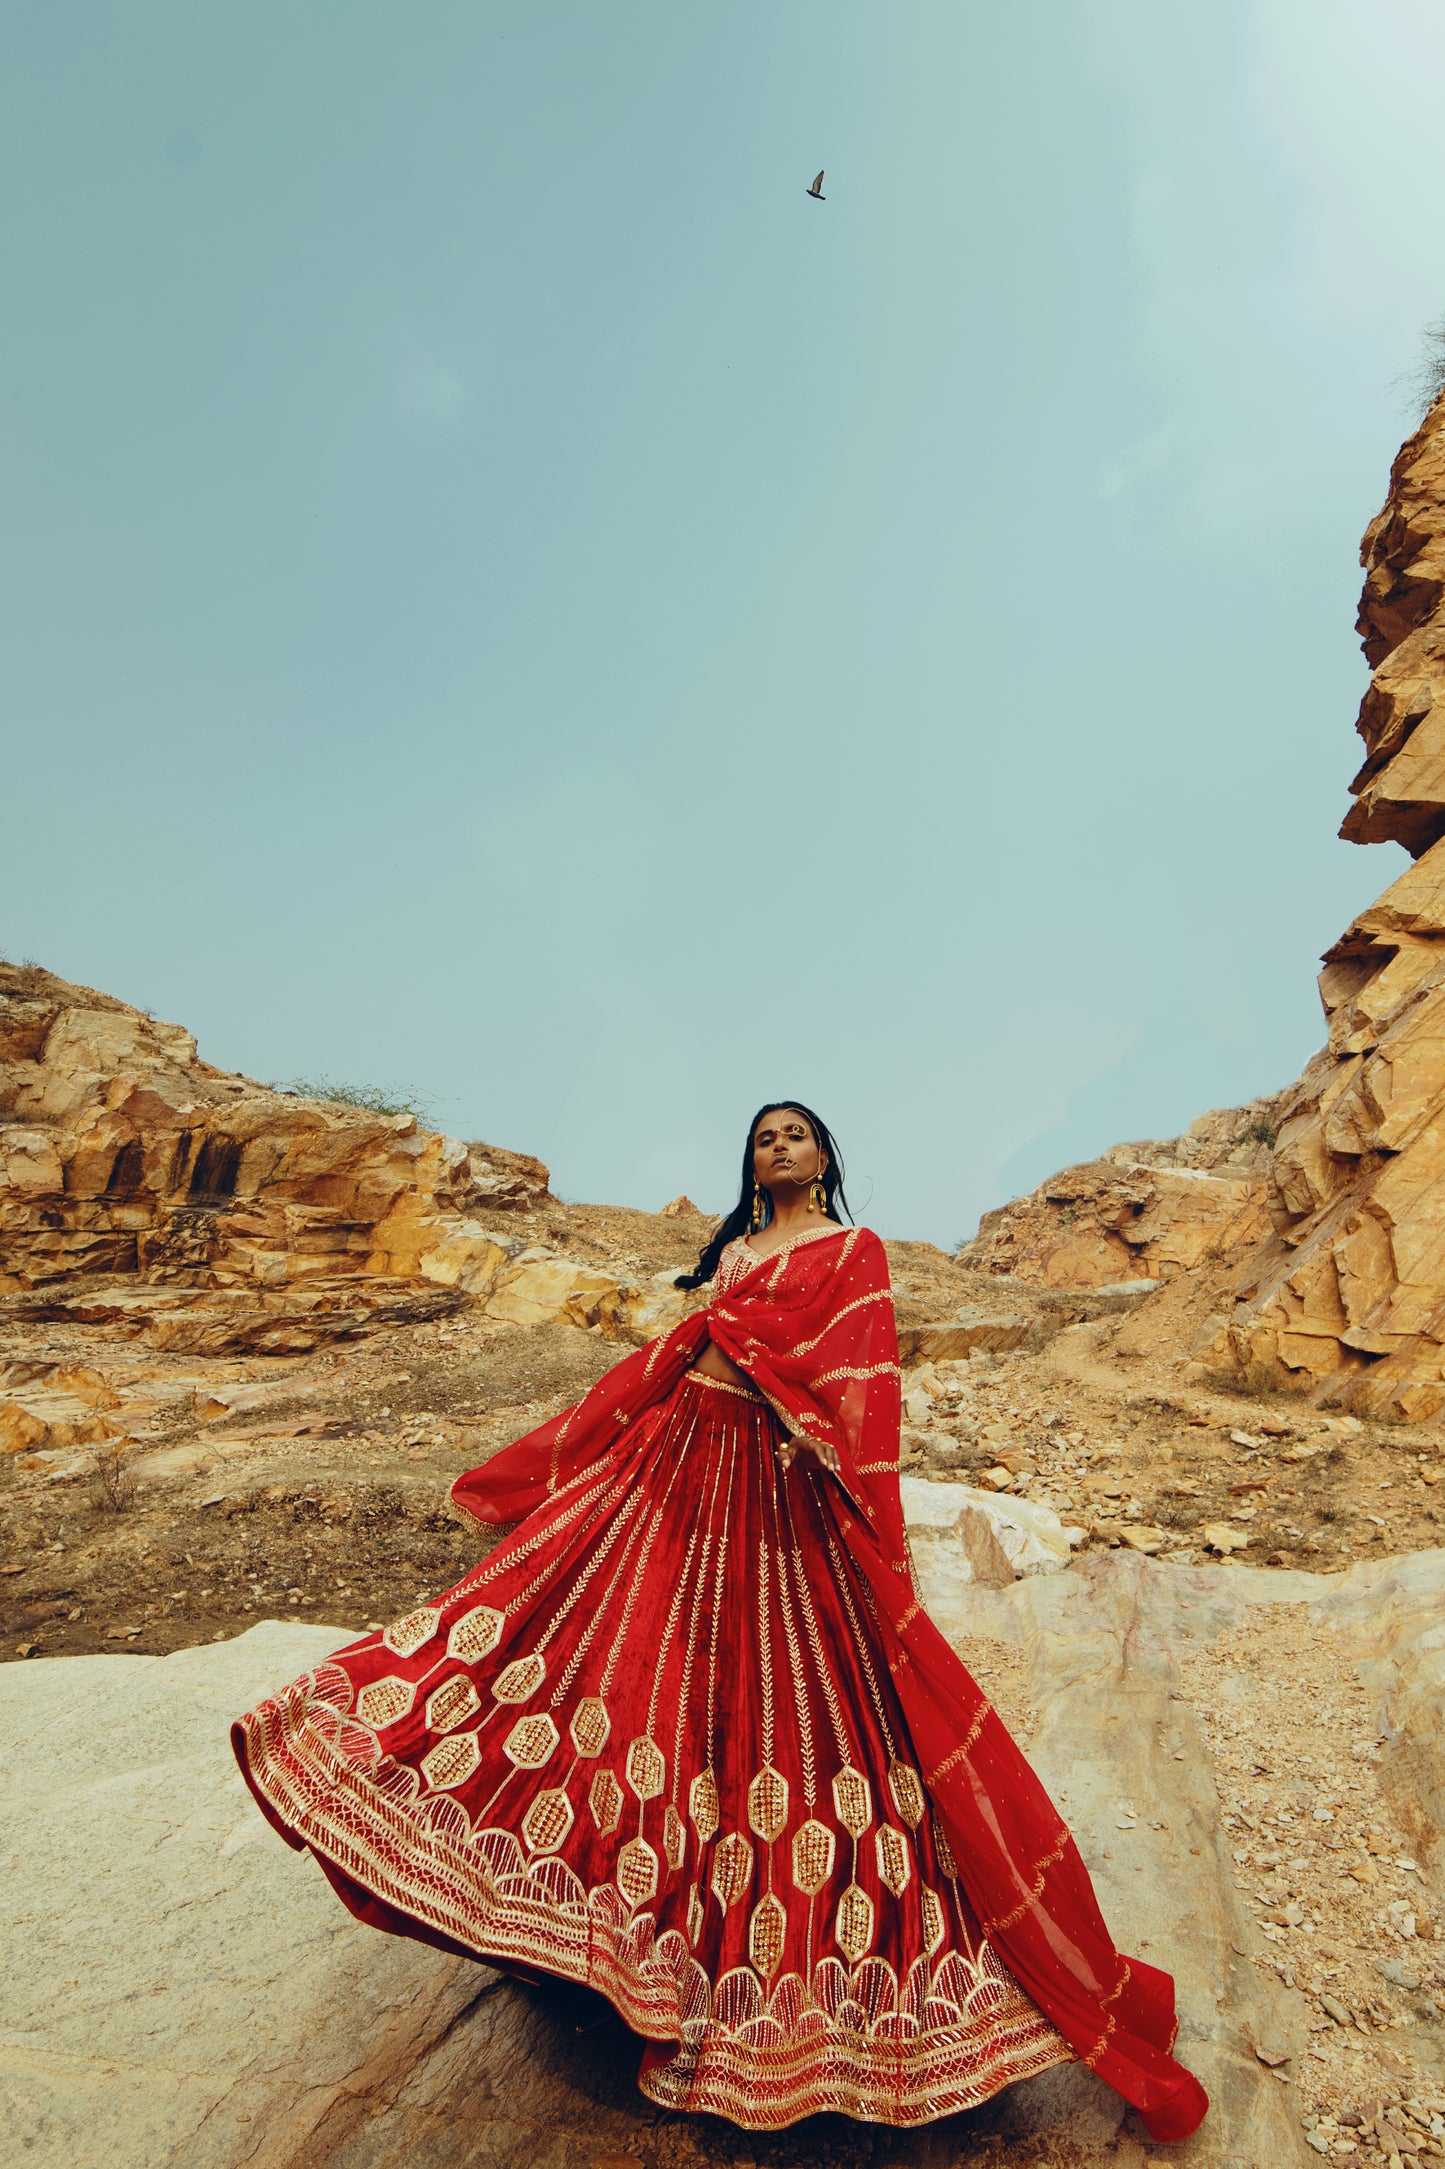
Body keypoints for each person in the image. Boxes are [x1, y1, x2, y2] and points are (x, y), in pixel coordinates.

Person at [232, 1102, 1207, 2140]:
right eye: (760, 1137)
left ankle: (753, 1983)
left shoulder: (849, 1250)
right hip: (683, 1461)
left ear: (824, 1155)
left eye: (794, 1134)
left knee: (771, 1702)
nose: (775, 1146)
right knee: (609, 1652)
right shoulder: (739, 1252)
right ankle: (600, 1930)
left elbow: (864, 1387)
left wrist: (826, 1461)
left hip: (776, 1489)